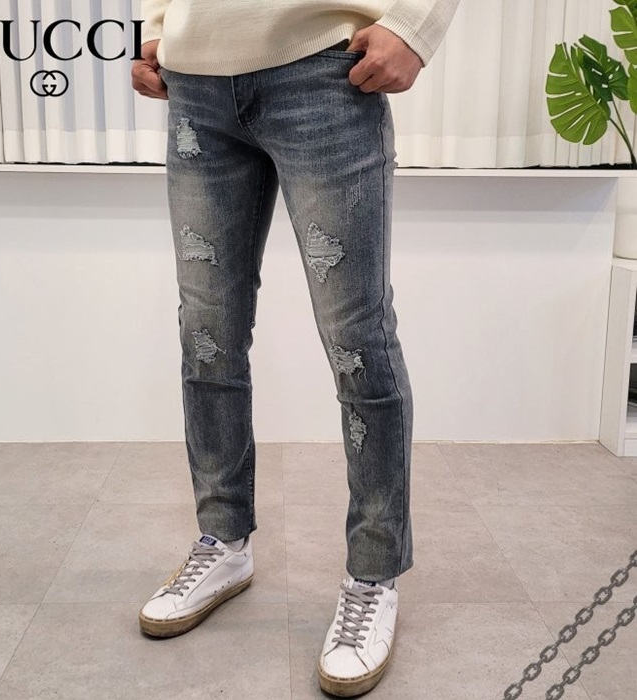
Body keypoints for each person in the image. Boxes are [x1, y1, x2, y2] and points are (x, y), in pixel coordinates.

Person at [131, 1, 460, 696]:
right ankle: (224, 542)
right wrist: (158, 26)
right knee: (207, 334)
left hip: (324, 75)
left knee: (357, 339)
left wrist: (416, 26)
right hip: (195, 87)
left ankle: (373, 574)